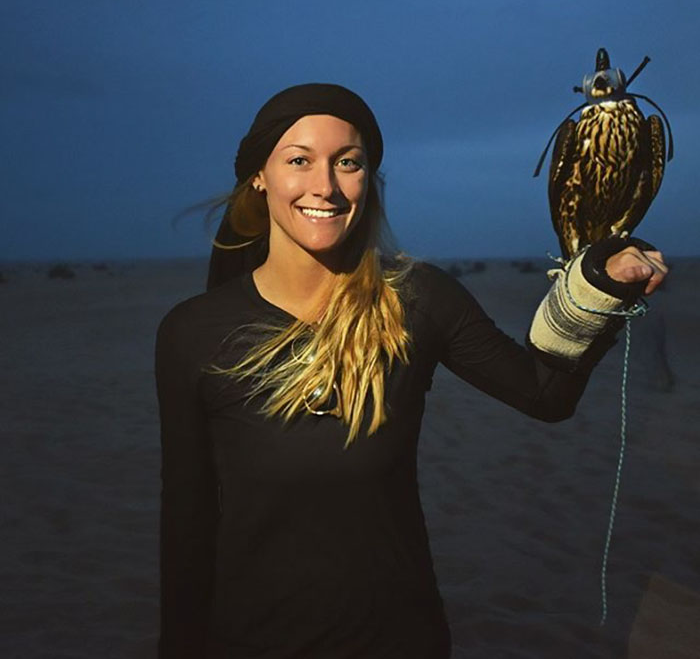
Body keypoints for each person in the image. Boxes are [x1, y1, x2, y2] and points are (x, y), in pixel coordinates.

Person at [154, 83, 668, 659]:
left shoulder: (419, 299)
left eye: (347, 162)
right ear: (259, 175)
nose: (325, 186)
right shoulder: (192, 332)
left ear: (369, 179)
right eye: (299, 160)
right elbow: (187, 520)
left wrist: (598, 286)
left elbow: (545, 395)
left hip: (397, 638)